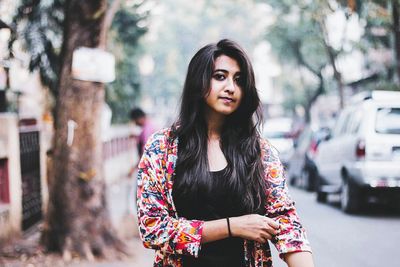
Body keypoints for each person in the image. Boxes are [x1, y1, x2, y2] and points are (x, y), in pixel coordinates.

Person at [136, 39, 314, 267]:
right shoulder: (162, 147)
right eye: (220, 76)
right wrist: (232, 226)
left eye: (239, 80)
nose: (231, 87)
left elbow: (286, 222)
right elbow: (152, 228)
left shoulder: (260, 151)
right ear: (198, 81)